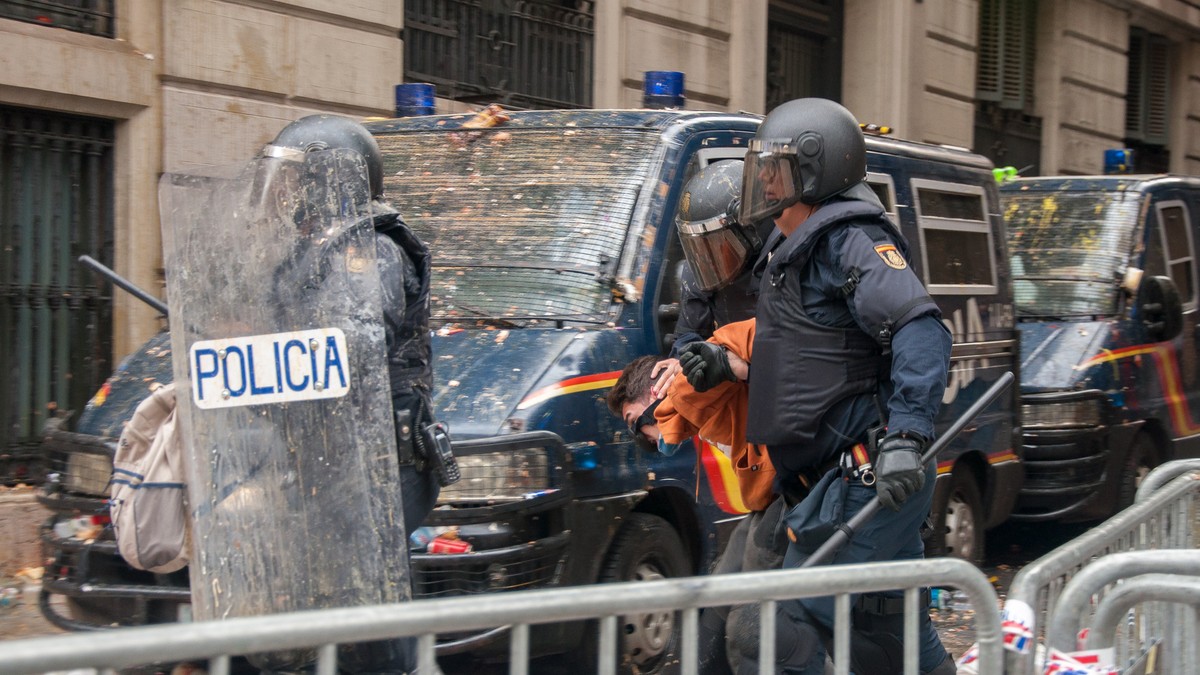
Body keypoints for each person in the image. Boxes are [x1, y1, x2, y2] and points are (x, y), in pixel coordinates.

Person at [678, 98, 955, 675]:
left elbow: (920, 328)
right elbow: (804, 354)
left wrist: (907, 434)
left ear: (815, 169)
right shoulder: (792, 246)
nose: (765, 185)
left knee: (773, 631)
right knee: (886, 633)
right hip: (832, 480)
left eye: (775, 171)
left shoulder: (848, 240)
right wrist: (725, 366)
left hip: (865, 476)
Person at [261, 114, 442, 673]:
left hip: (384, 459)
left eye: (300, 181)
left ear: (330, 182)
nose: (289, 196)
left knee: (371, 600)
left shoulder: (369, 250)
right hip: (336, 453)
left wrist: (276, 365)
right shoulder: (313, 250)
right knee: (358, 604)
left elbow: (356, 341)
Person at [605, 321, 782, 675]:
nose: (642, 438)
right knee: (718, 606)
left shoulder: (691, 383)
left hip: (794, 494)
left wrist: (732, 368)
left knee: (752, 636)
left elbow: (769, 350)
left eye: (633, 423)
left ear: (654, 392)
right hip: (770, 502)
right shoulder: (692, 409)